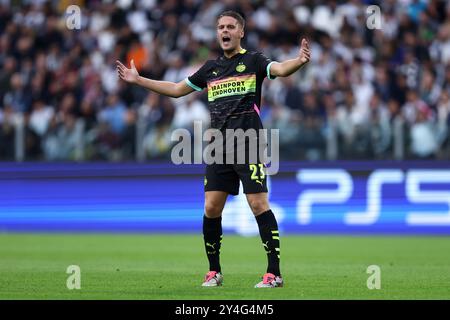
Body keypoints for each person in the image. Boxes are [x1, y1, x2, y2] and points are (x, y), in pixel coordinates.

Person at [116, 10, 310, 288]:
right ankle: (214, 271)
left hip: (249, 143)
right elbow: (175, 89)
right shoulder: (210, 68)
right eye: (220, 27)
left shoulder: (253, 61)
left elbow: (279, 68)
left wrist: (300, 61)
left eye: (231, 26)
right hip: (219, 147)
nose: (225, 31)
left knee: (257, 204)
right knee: (211, 206)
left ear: (241, 32)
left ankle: (274, 273)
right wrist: (139, 80)